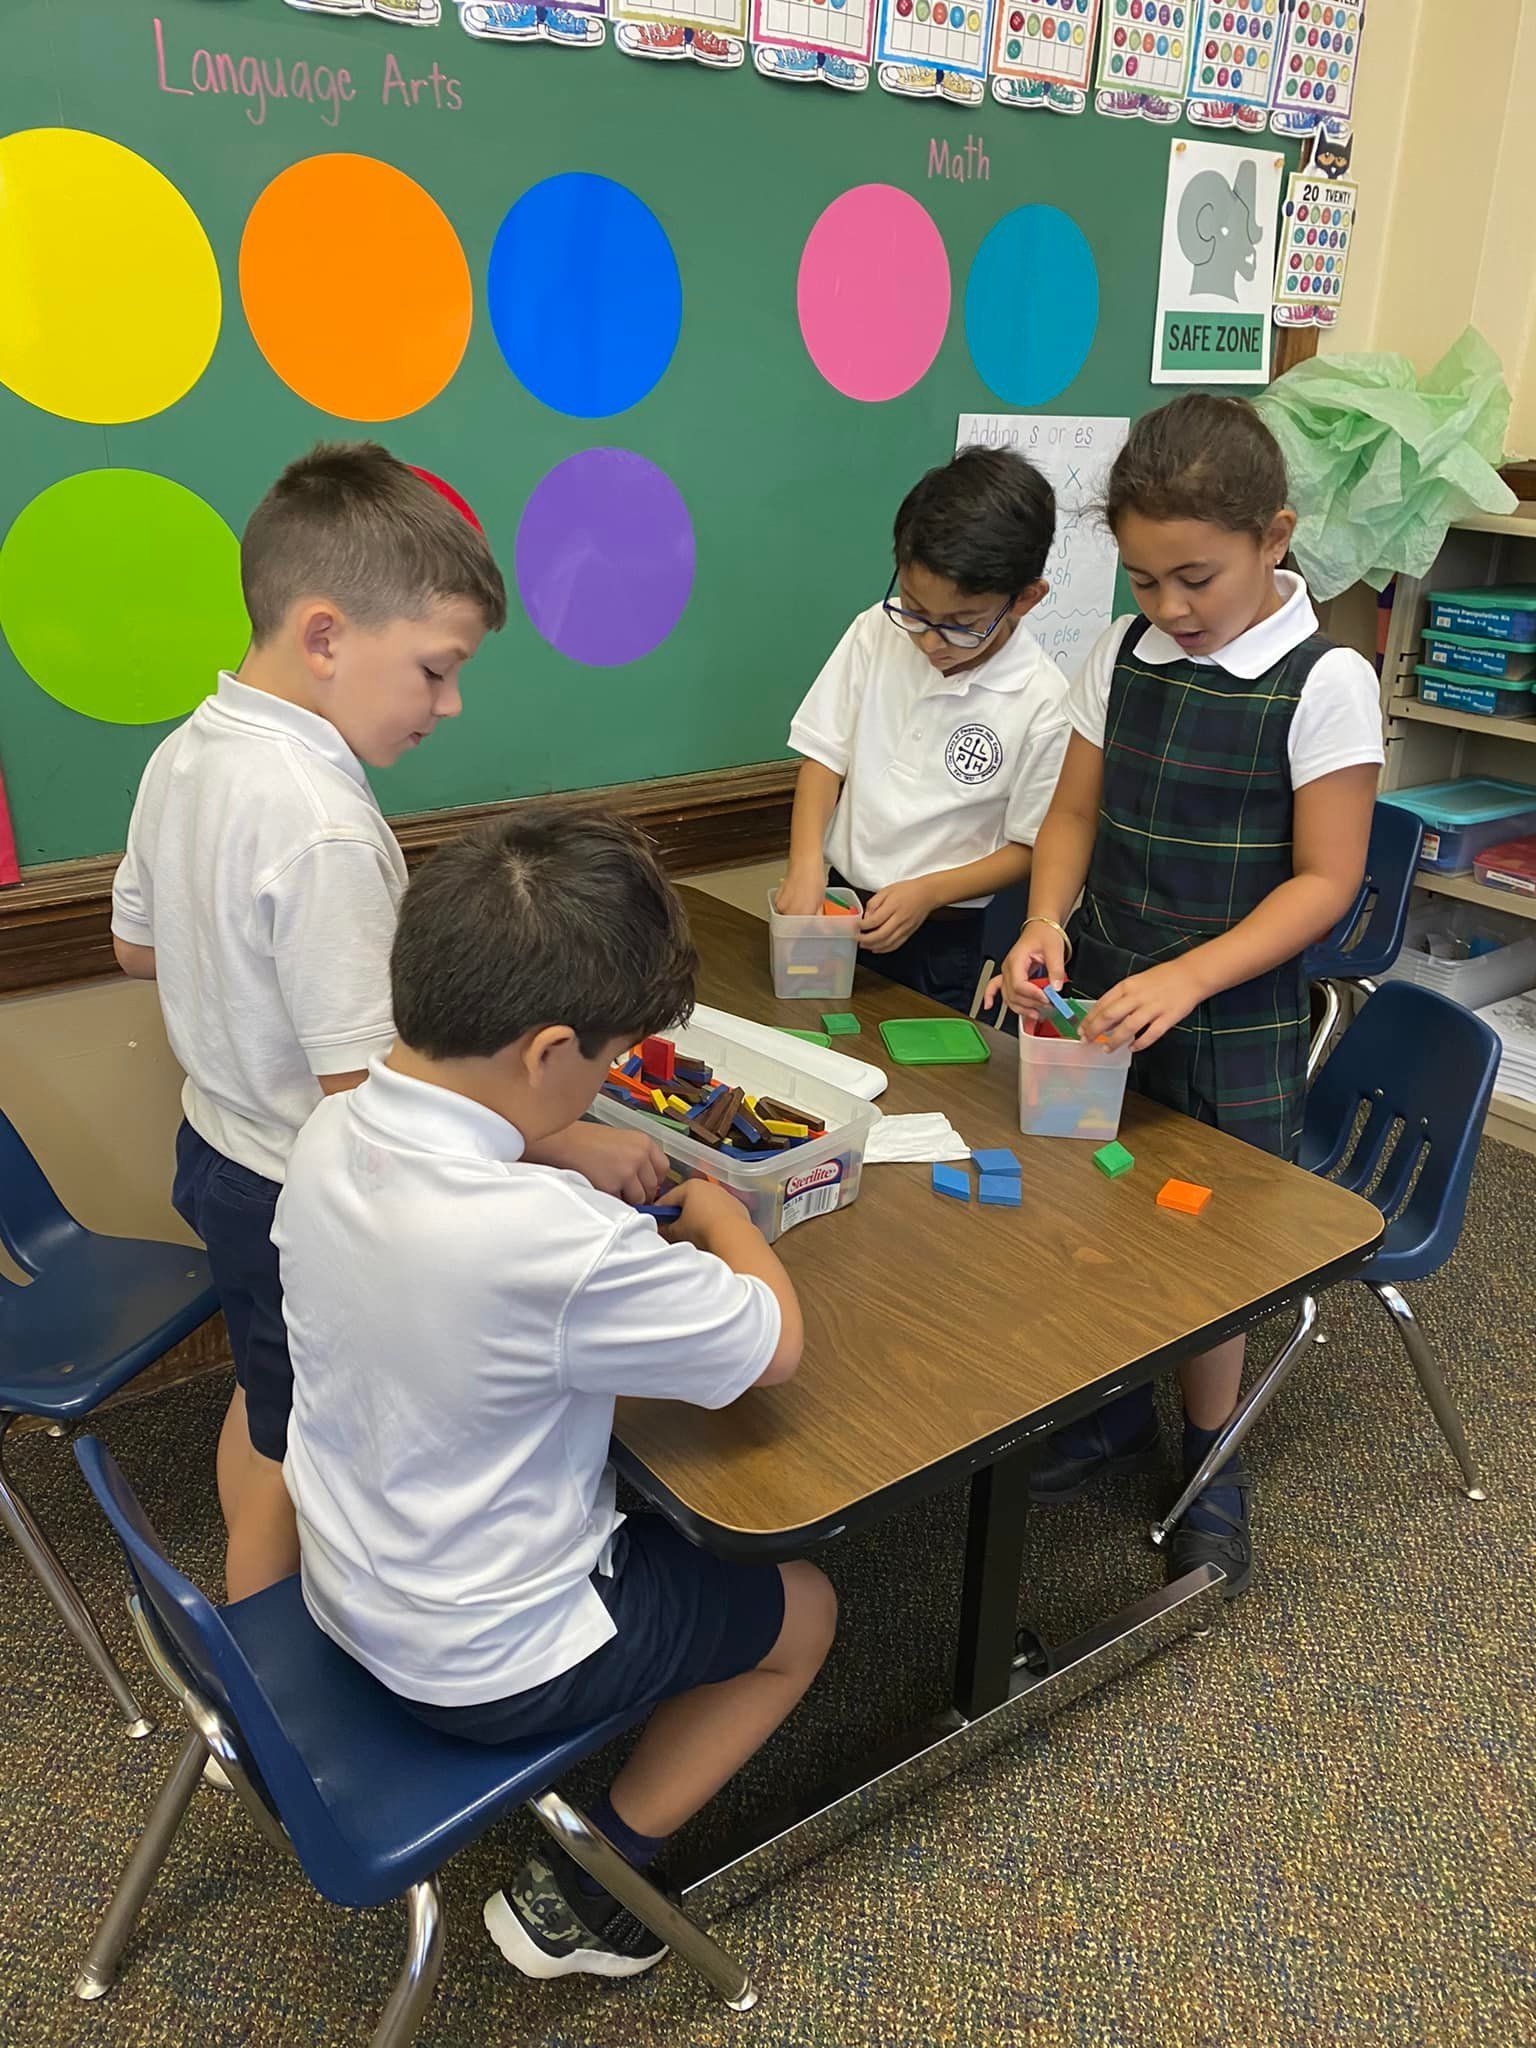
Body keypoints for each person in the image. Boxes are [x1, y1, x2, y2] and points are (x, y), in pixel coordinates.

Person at [277, 809, 837, 1981]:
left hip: (346, 1580)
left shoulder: (325, 1134)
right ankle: (596, 1885)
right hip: (485, 1656)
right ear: (547, 1053)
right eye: (609, 1061)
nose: (609, 1083)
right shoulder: (551, 1240)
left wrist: (555, 1146)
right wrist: (724, 1213)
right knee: (805, 1605)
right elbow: (774, 1345)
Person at [110, 444, 660, 1601]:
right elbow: (378, 1097)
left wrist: (240, 971)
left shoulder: (188, 750)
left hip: (216, 1148)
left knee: (267, 1390)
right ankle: (260, 1662)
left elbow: (136, 945)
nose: (449, 703)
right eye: (436, 669)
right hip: (295, 1183)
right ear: (325, 635)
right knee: (297, 1437)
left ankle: (251, 1601)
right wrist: (572, 1141)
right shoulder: (317, 820)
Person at [994, 394, 1383, 1595]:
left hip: (1232, 1010)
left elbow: (1326, 881)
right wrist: (1045, 920)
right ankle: (1114, 1406)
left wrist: (1191, 975)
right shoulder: (1122, 651)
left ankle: (1213, 1450)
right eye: (1144, 578)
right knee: (1094, 1196)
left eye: (1197, 578)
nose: (1170, 606)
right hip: (1112, 984)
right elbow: (1072, 812)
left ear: (1276, 537)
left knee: (1210, 1241)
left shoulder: (1325, 679)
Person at [778, 446, 1072, 1014]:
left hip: (942, 929)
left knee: (910, 1054)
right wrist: (805, 861)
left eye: (962, 624)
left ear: (1026, 599)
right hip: (838, 901)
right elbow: (823, 756)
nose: (931, 640)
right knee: (811, 1028)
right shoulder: (876, 632)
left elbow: (1028, 846)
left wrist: (929, 892)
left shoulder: (1044, 702)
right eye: (914, 609)